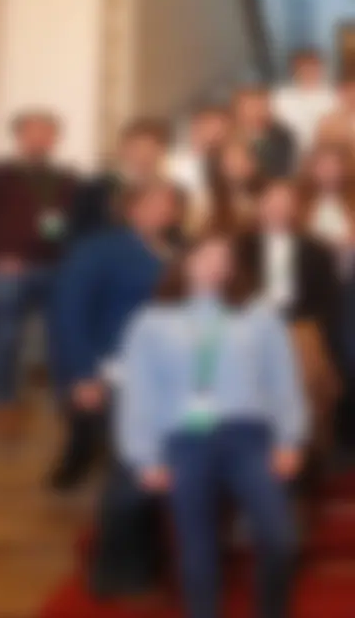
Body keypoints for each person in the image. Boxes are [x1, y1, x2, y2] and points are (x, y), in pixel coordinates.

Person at [117, 233, 305, 618]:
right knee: (196, 548)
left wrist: (290, 438)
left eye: (225, 259)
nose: (216, 266)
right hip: (186, 440)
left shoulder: (258, 316)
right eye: (207, 256)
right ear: (185, 262)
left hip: (248, 437)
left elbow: (282, 381)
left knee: (280, 537)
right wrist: (145, 457)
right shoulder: (151, 322)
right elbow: (140, 393)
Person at [49, 181, 182, 494]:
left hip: (169, 368)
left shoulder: (181, 250)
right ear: (131, 208)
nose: (162, 211)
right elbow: (69, 311)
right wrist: (82, 374)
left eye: (169, 205)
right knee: (131, 462)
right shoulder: (97, 249)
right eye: (153, 203)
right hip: (115, 366)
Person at [0, 109, 76, 436]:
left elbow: (78, 225)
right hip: (8, 268)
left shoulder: (66, 180)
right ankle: (1, 403)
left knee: (63, 335)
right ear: (20, 136)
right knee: (6, 335)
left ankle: (66, 404)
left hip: (56, 269)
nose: (39, 138)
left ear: (54, 139)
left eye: (46, 133)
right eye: (33, 132)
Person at [237, 180, 342, 459]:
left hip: (300, 326)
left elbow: (328, 300)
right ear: (259, 206)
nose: (278, 208)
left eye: (286, 202)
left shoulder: (316, 249)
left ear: (296, 208)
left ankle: (304, 453)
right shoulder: (240, 247)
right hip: (250, 328)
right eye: (272, 201)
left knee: (307, 387)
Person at [70, 117, 171, 241]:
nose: (144, 156)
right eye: (138, 147)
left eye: (151, 148)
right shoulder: (95, 190)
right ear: (123, 149)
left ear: (161, 152)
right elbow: (82, 234)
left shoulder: (168, 193)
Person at [299, 143, 355, 271]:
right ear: (312, 169)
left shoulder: (352, 201)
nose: (329, 171)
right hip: (315, 269)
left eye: (334, 165)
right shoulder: (302, 204)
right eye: (322, 166)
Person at [272, 49, 337, 153]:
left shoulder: (332, 96)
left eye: (313, 68)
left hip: (323, 150)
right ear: (294, 70)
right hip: (287, 150)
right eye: (304, 68)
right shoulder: (281, 97)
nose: (309, 72)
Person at [193, 138, 263, 235]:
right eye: (233, 160)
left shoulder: (263, 196)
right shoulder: (206, 202)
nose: (239, 164)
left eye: (244, 158)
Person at [166, 105, 232, 204]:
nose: (216, 135)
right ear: (196, 124)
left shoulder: (216, 164)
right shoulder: (171, 159)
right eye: (212, 127)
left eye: (222, 131)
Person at [235, 85, 296, 179]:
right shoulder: (228, 137)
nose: (256, 112)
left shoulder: (281, 138)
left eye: (261, 106)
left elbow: (282, 174)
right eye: (251, 106)